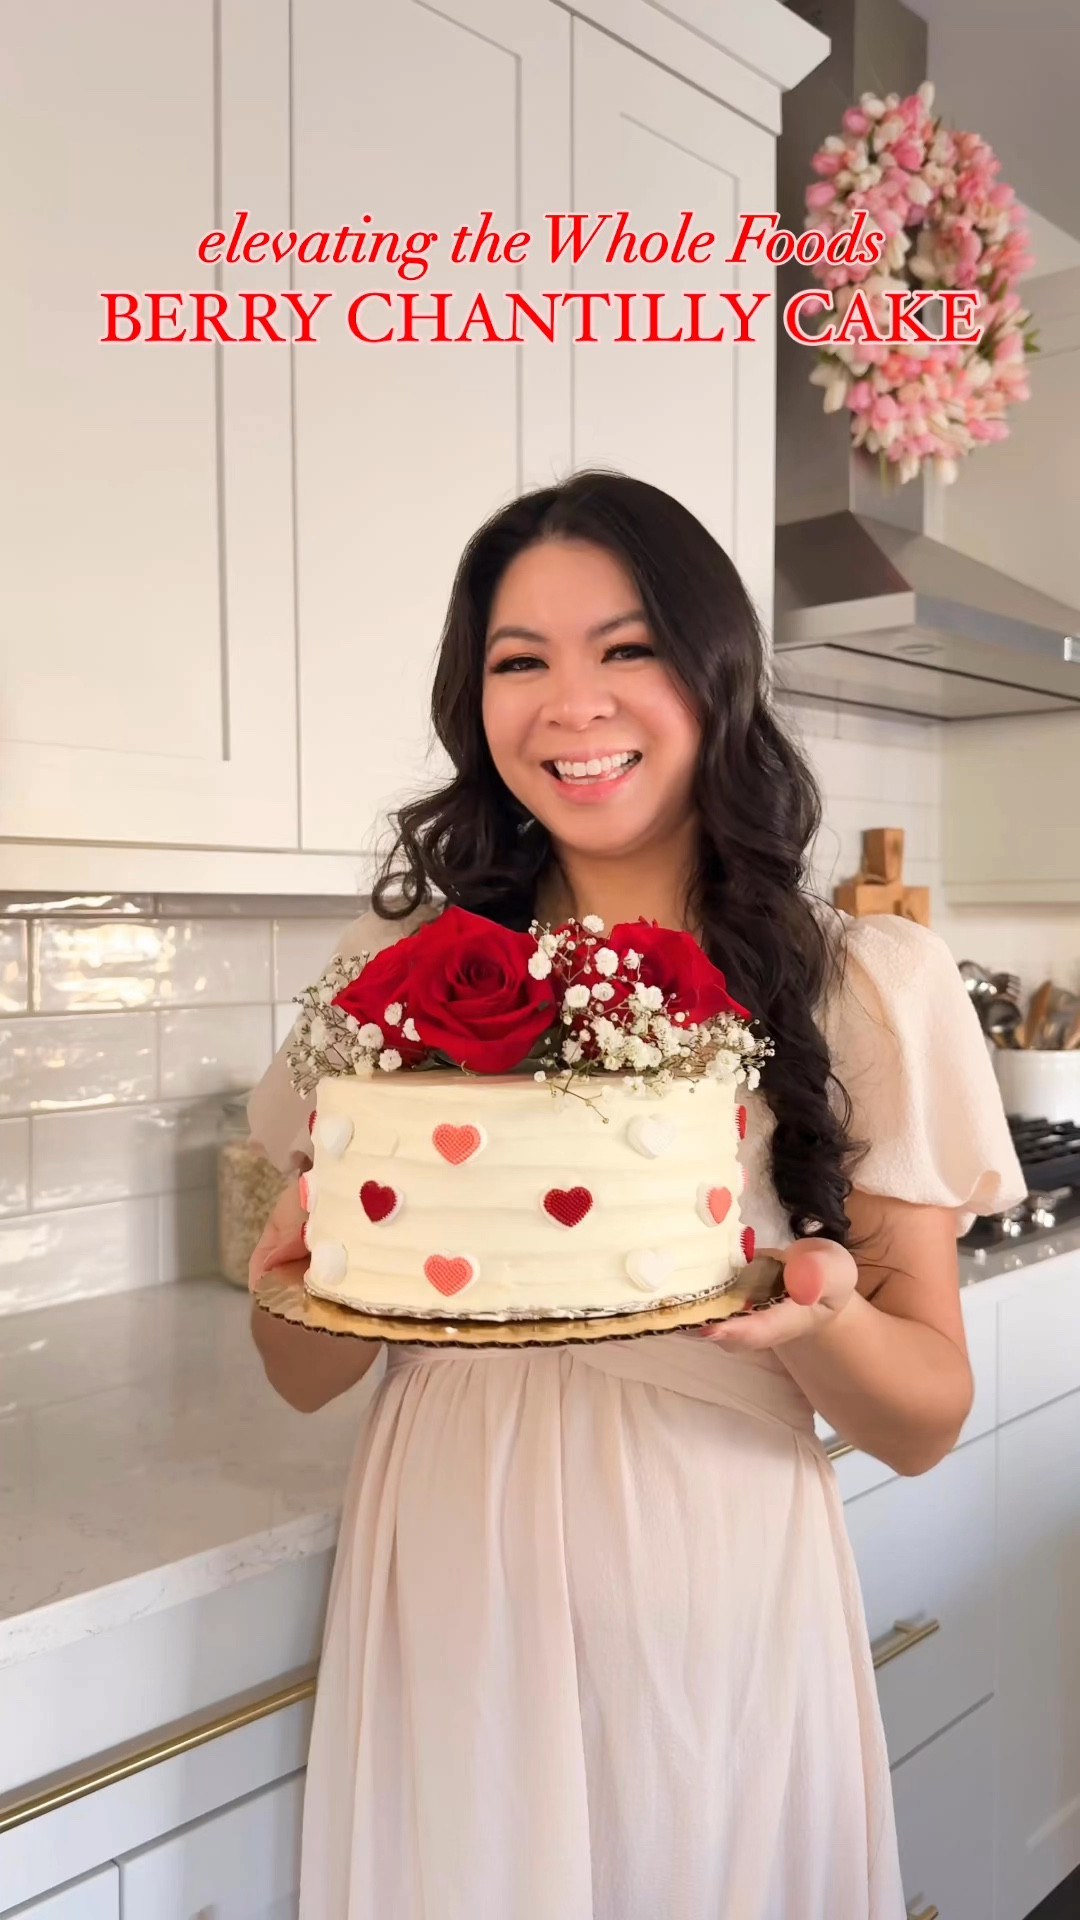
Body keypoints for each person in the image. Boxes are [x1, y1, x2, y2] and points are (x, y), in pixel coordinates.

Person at [246, 470, 1025, 1920]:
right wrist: (292, 1273)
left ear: (715, 670)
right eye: (518, 661)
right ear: (471, 701)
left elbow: (924, 1420)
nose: (571, 704)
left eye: (627, 649)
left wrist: (815, 1322)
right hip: (447, 1547)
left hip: (710, 1558)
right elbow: (301, 1375)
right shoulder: (400, 973)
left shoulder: (864, 982)